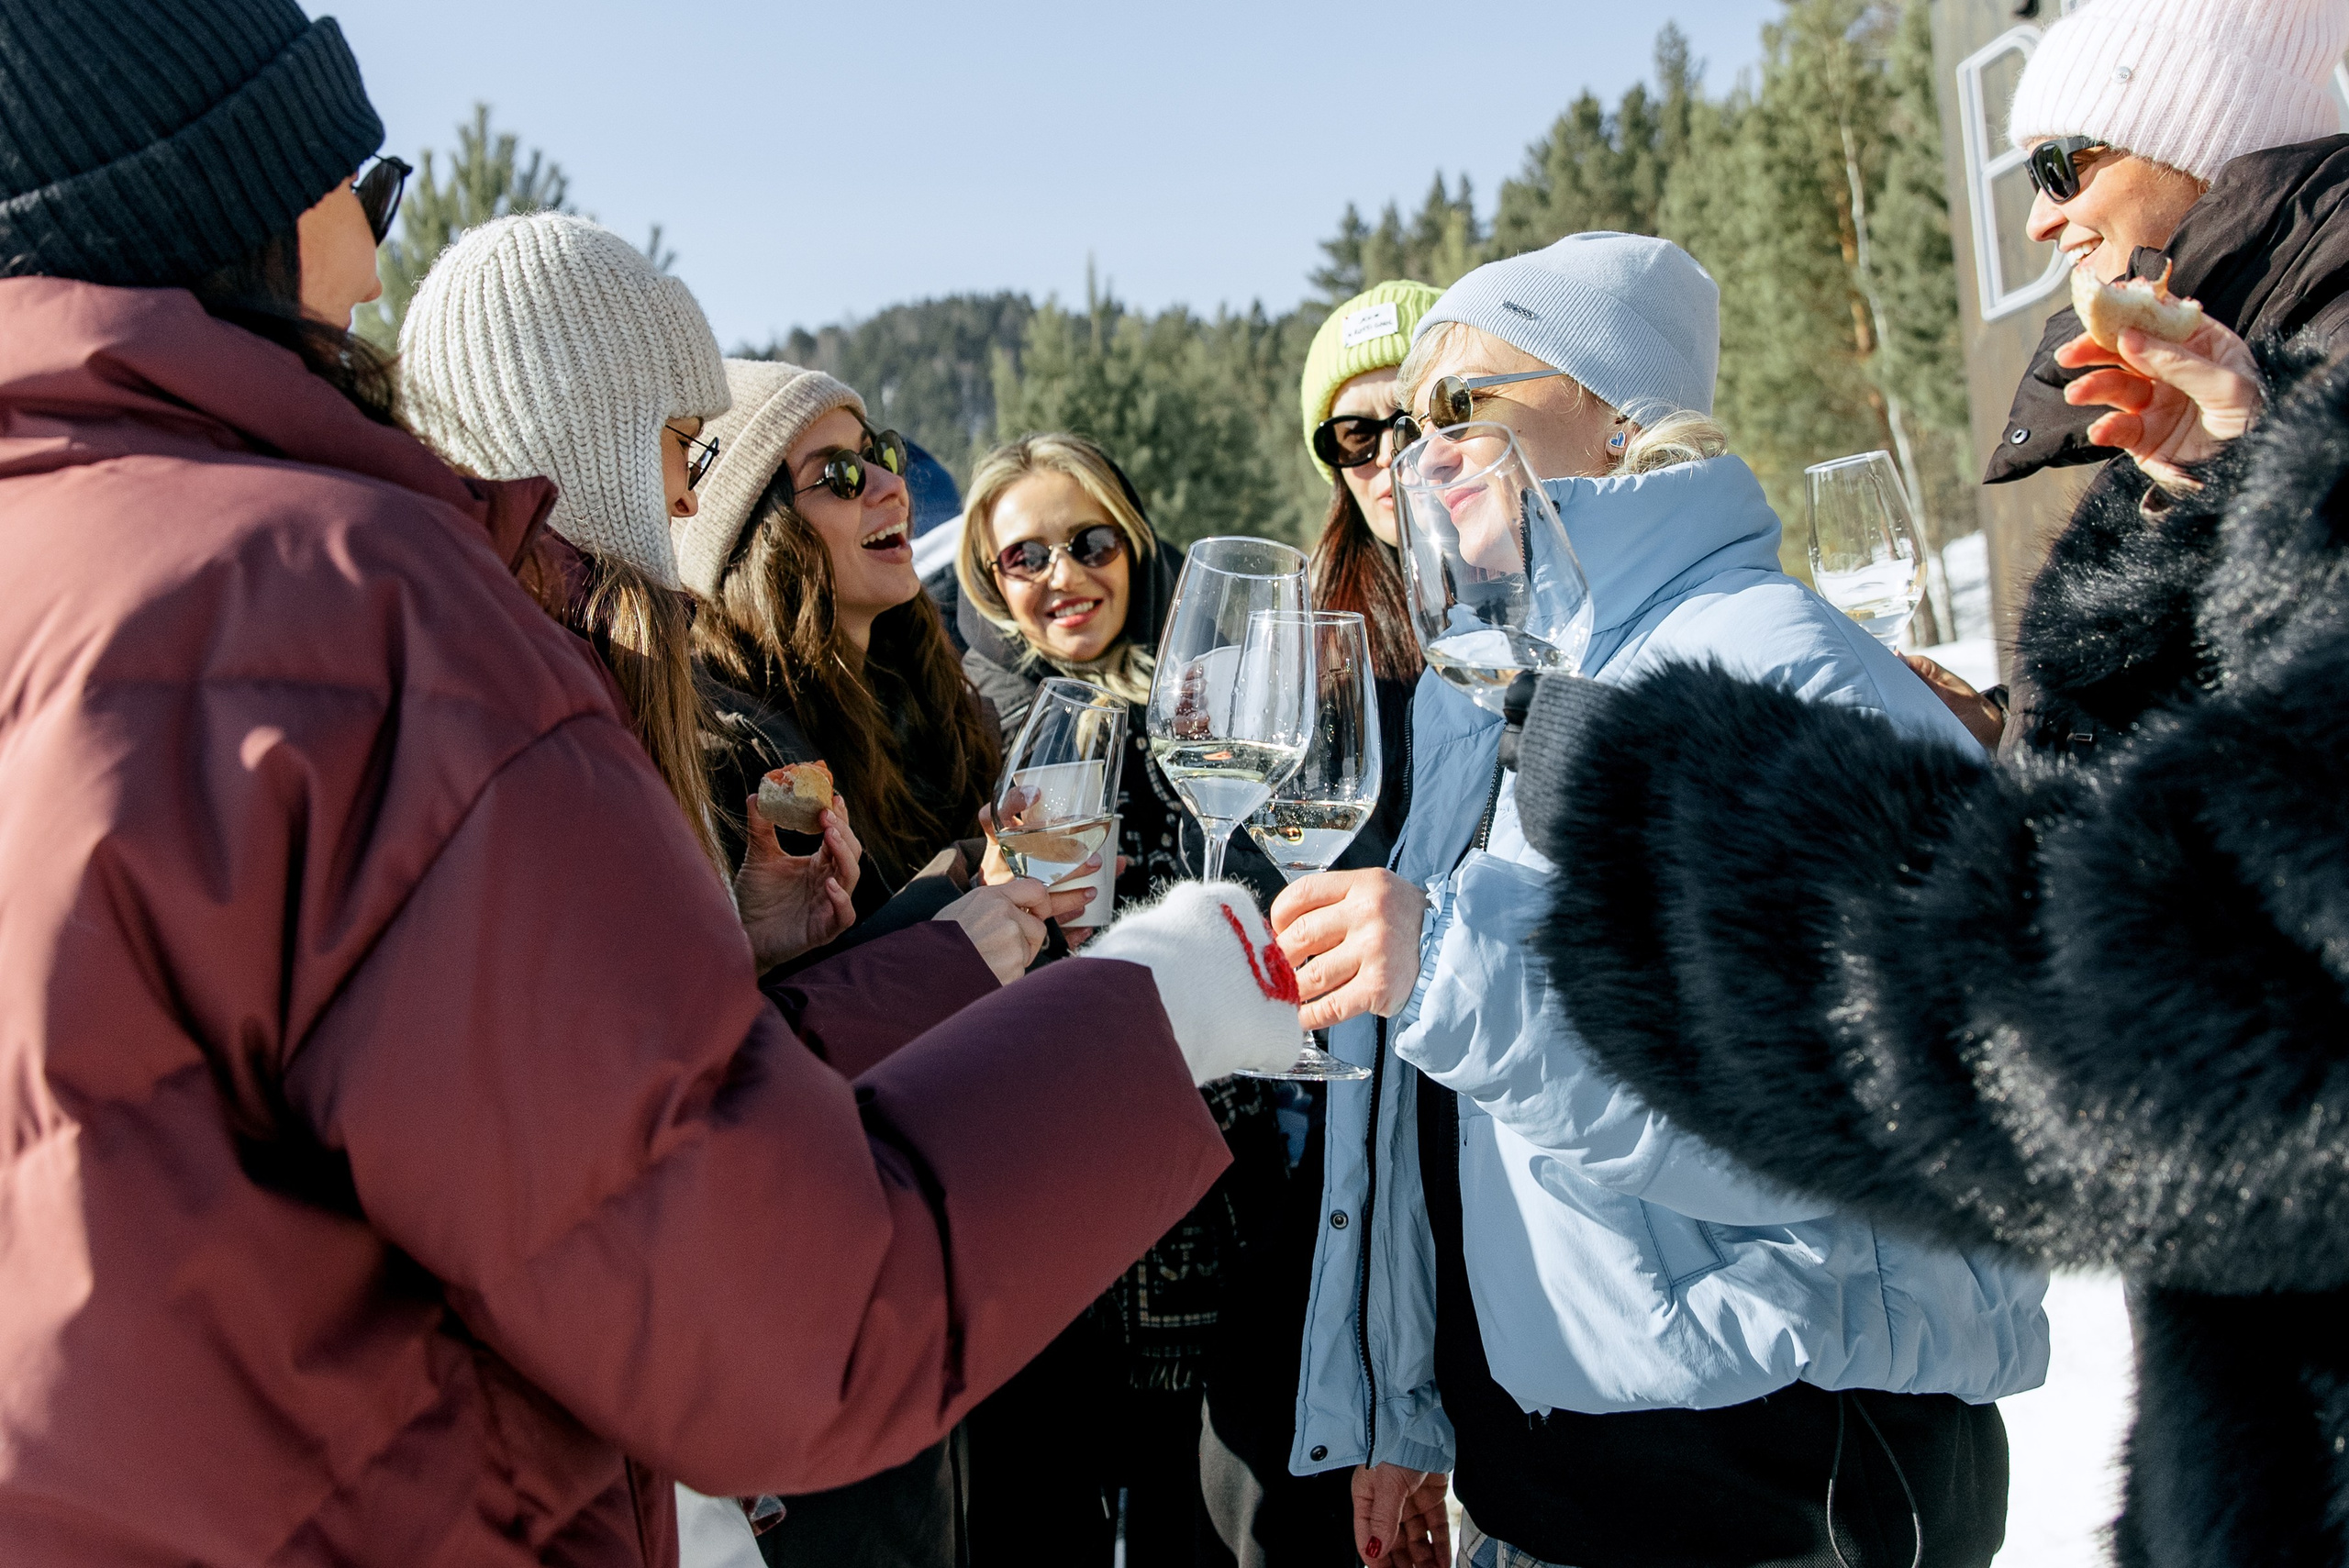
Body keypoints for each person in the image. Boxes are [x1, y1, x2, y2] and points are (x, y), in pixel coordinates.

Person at [0, 4, 1309, 1560]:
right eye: (373, 185)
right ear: (257, 205)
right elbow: (779, 1317)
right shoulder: (355, 604)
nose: (372, 266)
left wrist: (745, 953)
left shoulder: (72, 576)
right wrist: (1162, 1008)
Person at [1507, 277, 2349, 1568]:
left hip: (1814, 1448)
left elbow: (2127, 1033)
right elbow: (2228, 850)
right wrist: (2229, 526)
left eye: (2076, 156)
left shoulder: (1723, 647)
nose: (2054, 214)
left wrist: (1655, 800)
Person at [1268, 234, 2052, 1568]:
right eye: (1404, 424)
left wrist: (1451, 975)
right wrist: (1413, 1404)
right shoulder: (1530, 680)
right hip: (1570, 1461)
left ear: (1620, 416)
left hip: (1784, 1467)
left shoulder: (1771, 664)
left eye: (1465, 405)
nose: (1419, 450)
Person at [949, 431, 1341, 1565]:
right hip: (1032, 1233)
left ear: (1135, 543)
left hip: (1208, 1220)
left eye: (1089, 542)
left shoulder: (1214, 702)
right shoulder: (969, 727)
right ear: (988, 576)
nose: (1062, 575)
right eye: (1025, 556)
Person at [1919, 0, 2349, 750]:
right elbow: (2186, 691)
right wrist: (2002, 724)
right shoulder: (2196, 347)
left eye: (2059, 168)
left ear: (2200, 139)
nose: (2038, 222)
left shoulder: (2323, 336)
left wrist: (2250, 472)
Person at [683, 361, 999, 893]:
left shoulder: (934, 695)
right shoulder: (739, 764)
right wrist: (983, 883)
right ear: (759, 545)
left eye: (882, 454)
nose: (892, 484)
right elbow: (814, 968)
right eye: (841, 475)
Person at [1296, 279, 1442, 873]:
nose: (1387, 455)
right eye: (1355, 435)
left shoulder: (1548, 601)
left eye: (1411, 421)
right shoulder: (1310, 635)